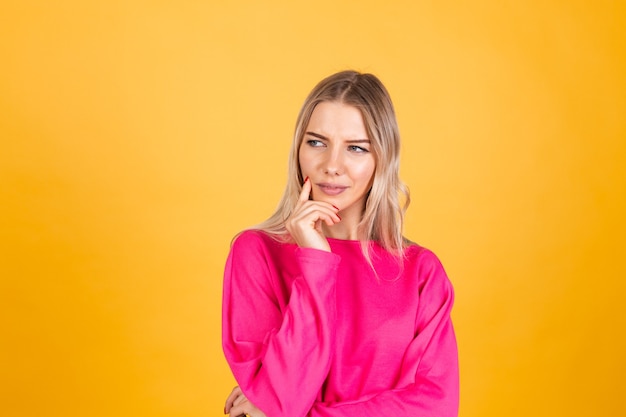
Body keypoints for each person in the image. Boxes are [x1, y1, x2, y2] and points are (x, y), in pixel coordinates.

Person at [222, 70, 459, 417]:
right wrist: (317, 263)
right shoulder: (256, 254)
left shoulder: (421, 272)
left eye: (356, 148)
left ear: (382, 158)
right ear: (298, 148)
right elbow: (284, 398)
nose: (332, 166)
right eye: (316, 142)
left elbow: (436, 407)